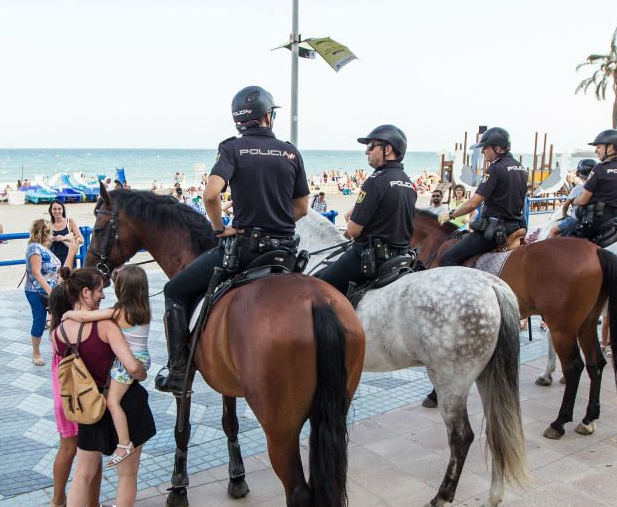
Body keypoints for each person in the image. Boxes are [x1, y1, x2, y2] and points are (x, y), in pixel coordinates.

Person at [157, 85, 309, 394]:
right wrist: (276, 225)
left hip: (246, 250)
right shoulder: (291, 151)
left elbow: (211, 195)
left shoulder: (232, 149)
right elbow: (302, 207)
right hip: (286, 253)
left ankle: (177, 370)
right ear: (268, 116)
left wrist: (218, 228)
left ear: (239, 120)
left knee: (174, 290)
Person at [49, 268, 152, 507]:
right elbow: (131, 366)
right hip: (125, 403)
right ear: (85, 293)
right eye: (98, 290)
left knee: (82, 473)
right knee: (127, 474)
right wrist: (142, 373)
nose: (104, 294)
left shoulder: (57, 333)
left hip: (89, 409)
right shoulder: (106, 326)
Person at [64, 265, 151, 468]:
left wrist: (68, 314)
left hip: (127, 362)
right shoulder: (143, 310)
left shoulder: (118, 313)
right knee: (111, 396)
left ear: (123, 290)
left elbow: (86, 317)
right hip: (142, 357)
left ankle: (123, 443)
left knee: (112, 402)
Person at [315, 124, 416, 295]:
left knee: (316, 288)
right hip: (401, 256)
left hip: (371, 257)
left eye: (371, 146)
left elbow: (353, 230)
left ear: (388, 149)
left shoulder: (375, 181)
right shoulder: (408, 183)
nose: (366, 151)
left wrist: (352, 225)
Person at [439, 127, 527, 265]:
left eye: (485, 147)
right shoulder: (520, 167)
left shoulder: (495, 168)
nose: (482, 151)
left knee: (446, 258)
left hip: (497, 230)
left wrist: (451, 215)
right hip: (516, 225)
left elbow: (473, 203)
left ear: (497, 148)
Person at [25, 219, 78, 366]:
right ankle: (36, 353)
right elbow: (36, 272)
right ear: (45, 232)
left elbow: (60, 272)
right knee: (39, 320)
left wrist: (71, 253)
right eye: (50, 233)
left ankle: (60, 348)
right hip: (38, 292)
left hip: (51, 291)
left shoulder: (44, 249)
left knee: (58, 320)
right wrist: (50, 292)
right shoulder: (34, 248)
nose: (52, 236)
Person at [566, 129, 617, 243]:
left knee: (563, 242)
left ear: (610, 147)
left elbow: (583, 200)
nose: (596, 151)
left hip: (596, 223)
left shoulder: (600, 168)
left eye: (598, 147)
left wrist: (573, 201)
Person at [549, 159, 596, 238]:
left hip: (576, 219)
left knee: (553, 231)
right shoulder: (597, 187)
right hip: (592, 219)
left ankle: (552, 249)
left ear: (580, 173)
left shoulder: (578, 188)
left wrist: (565, 216)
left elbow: (565, 206)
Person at [46, 201, 81, 266]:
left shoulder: (70, 222)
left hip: (70, 257)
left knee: (71, 276)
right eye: (54, 209)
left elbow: (81, 239)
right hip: (54, 260)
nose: (57, 211)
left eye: (59, 209)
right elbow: (45, 246)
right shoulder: (48, 225)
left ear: (63, 210)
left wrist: (64, 238)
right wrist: (51, 240)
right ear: (51, 210)